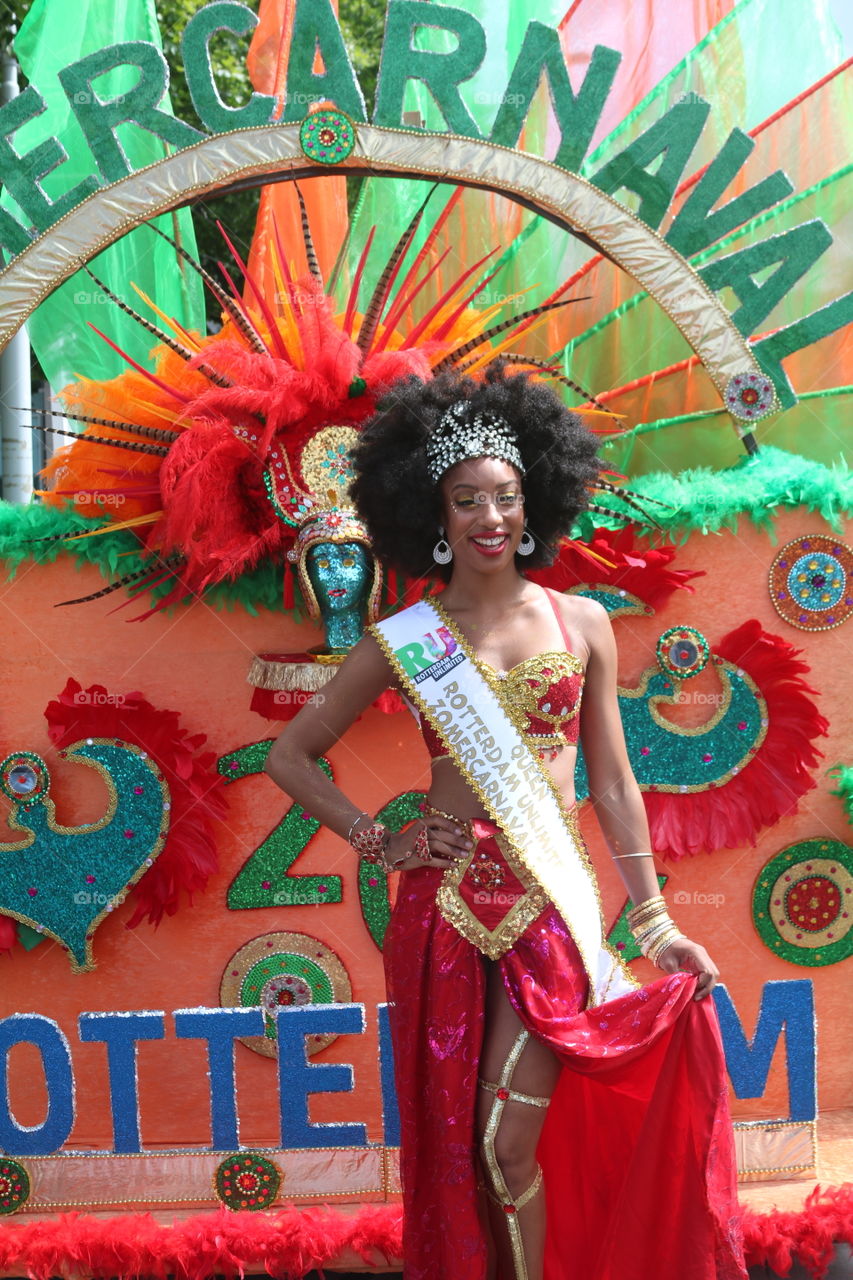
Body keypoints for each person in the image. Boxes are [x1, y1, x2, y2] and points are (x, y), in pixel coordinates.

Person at [264, 367, 747, 1280]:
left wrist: (655, 923)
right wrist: (380, 841)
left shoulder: (581, 622)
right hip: (439, 908)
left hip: (547, 904)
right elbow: (290, 756)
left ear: (532, 505)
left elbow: (610, 782)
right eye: (465, 500)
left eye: (505, 497)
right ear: (433, 516)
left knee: (504, 1144)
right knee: (459, 1152)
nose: (489, 518)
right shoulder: (405, 640)